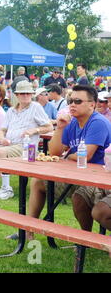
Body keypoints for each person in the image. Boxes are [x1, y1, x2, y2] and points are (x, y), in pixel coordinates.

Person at [24, 85, 111, 240]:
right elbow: (55, 152)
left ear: (92, 104)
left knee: (80, 197)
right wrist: (60, 128)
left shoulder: (98, 122)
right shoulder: (72, 124)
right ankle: (29, 229)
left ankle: (87, 239)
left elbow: (86, 156)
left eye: (78, 101)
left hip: (96, 180)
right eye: (71, 100)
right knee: (38, 182)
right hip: (77, 176)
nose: (72, 104)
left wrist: (68, 156)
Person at [0, 81, 53, 199]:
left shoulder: (35, 107)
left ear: (32, 94)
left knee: (1, 152)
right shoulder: (11, 110)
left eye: (28, 93)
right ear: (17, 95)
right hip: (10, 145)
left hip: (29, 148)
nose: (25, 95)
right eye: (22, 93)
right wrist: (2, 139)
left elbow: (49, 127)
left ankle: (6, 189)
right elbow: (2, 130)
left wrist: (34, 130)